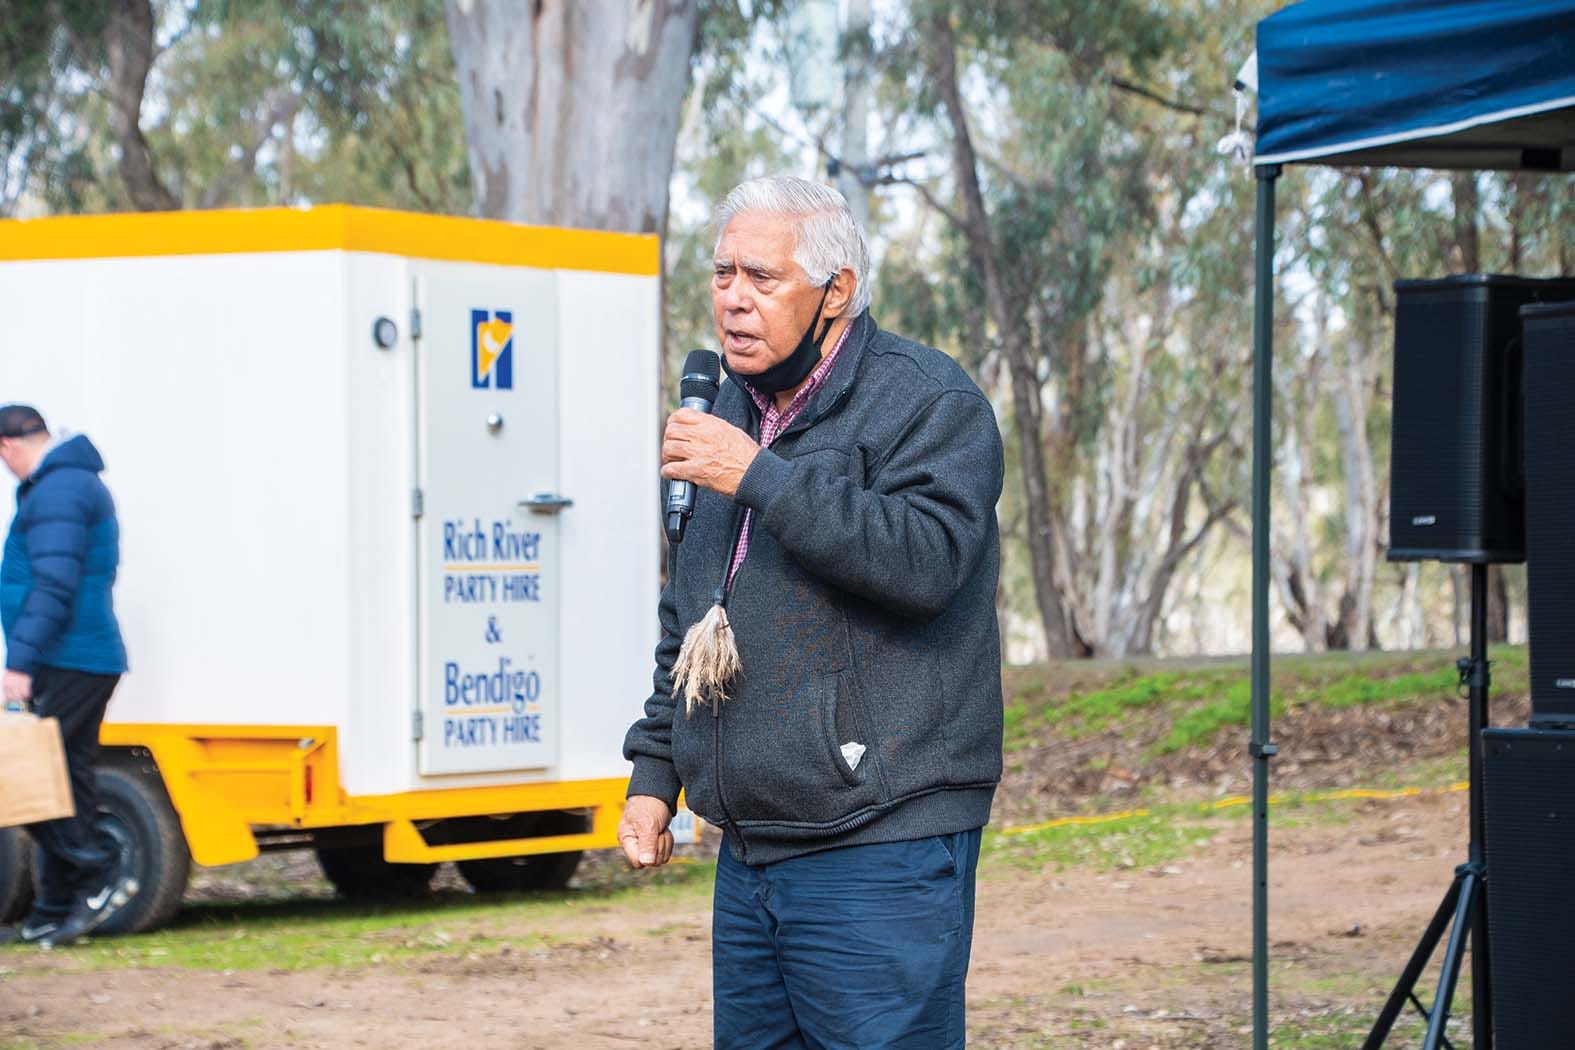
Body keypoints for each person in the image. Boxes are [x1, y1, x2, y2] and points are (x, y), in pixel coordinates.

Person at [620, 176, 1005, 1048]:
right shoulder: (720, 409)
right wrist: (655, 775)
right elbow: (690, 615)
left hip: (880, 845)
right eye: (722, 274)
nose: (733, 299)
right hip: (752, 852)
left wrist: (757, 474)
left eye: (762, 277)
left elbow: (925, 562)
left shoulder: (927, 403)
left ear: (836, 294)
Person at [0, 405, 137, 949]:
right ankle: (53, 910)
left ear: (7, 447)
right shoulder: (62, 486)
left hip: (72, 656)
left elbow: (54, 584)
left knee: (36, 782)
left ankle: (100, 868)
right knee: (62, 780)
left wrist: (20, 662)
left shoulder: (58, 490)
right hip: (77, 655)